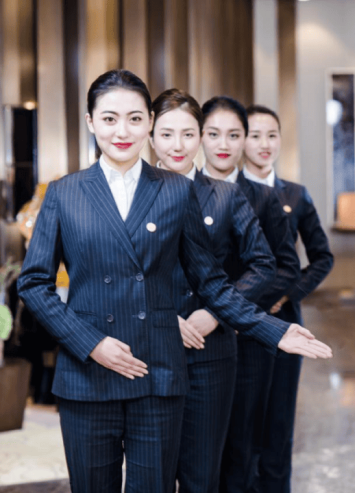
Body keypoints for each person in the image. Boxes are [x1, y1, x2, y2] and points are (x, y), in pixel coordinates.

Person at [17, 70, 331, 493]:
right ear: (90, 122)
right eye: (109, 119)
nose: (122, 131)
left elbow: (212, 283)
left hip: (158, 376)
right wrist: (91, 343)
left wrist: (274, 330)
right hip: (88, 374)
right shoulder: (64, 193)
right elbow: (34, 283)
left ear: (148, 122)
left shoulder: (175, 191)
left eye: (134, 119)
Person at [150, 88, 274, 492]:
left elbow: (263, 263)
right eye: (167, 134)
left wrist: (217, 313)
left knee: (202, 476)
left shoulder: (225, 195)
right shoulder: (130, 194)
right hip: (148, 349)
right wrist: (163, 316)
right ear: (150, 134)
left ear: (200, 136)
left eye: (188, 134)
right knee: (151, 476)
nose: (178, 145)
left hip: (211, 353)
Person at [197, 96, 302, 493]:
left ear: (244, 139)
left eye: (234, 134)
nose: (223, 144)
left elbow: (285, 266)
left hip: (248, 340)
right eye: (213, 134)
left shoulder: (264, 197)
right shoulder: (181, 190)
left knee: (243, 445)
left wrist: (234, 311)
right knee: (197, 449)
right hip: (192, 335)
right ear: (199, 136)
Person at [241, 104, 335, 492]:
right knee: (241, 427)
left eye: (272, 135)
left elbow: (322, 257)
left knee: (279, 425)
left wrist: (288, 294)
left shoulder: (295, 195)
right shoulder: (227, 192)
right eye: (255, 135)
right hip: (237, 324)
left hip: (285, 323)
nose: (265, 144)